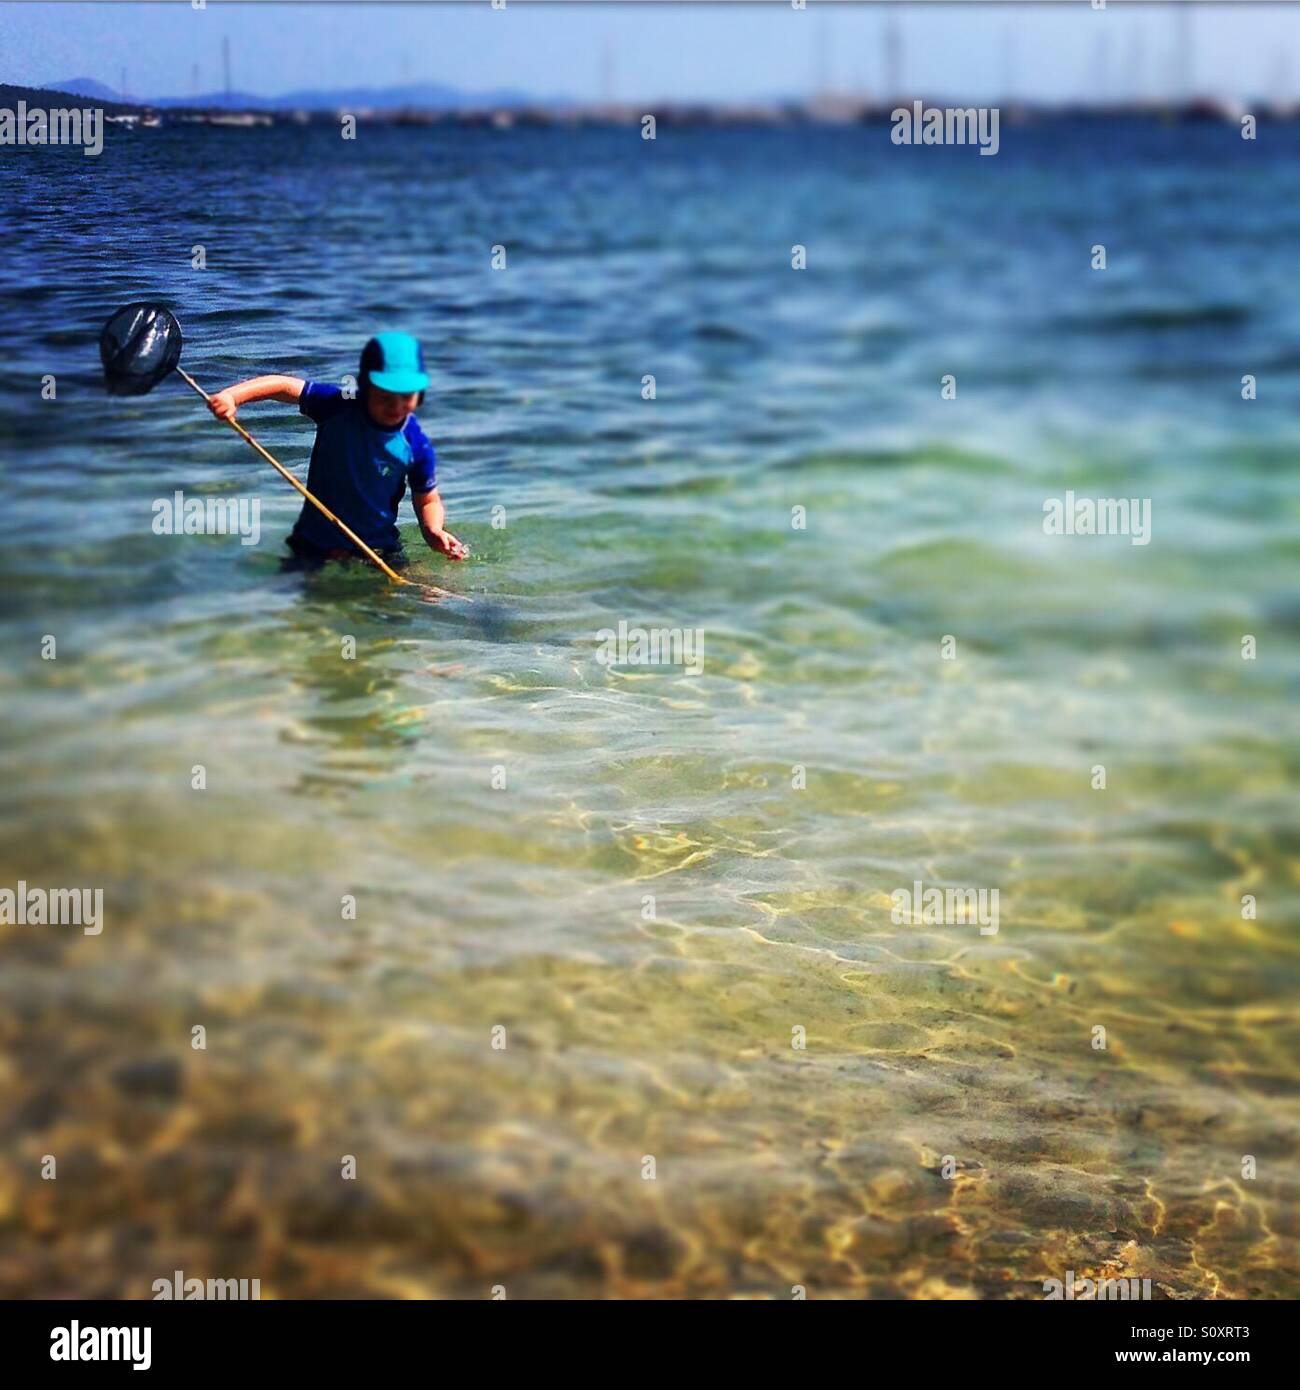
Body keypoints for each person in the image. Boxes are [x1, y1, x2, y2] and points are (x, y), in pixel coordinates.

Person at [206, 332, 468, 569]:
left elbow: (428, 499)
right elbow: (283, 385)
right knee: (297, 607)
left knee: (412, 600)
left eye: (406, 396)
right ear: (365, 386)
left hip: (377, 548)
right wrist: (231, 397)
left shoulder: (415, 443)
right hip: (314, 541)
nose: (396, 405)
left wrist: (433, 531)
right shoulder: (338, 406)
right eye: (385, 396)